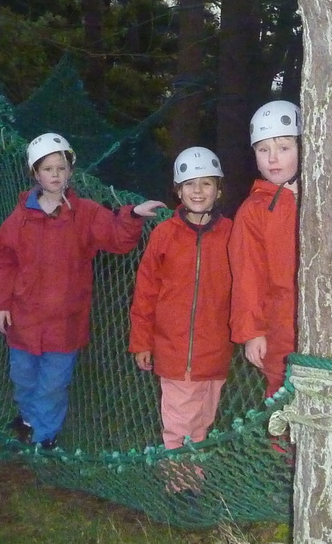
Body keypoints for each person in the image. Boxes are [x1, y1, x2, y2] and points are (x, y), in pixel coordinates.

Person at [0, 132, 165, 449]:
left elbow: (116, 238)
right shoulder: (21, 218)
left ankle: (44, 437)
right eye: (47, 169)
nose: (55, 175)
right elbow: (1, 258)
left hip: (64, 322)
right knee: (23, 377)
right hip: (24, 319)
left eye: (61, 167)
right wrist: (2, 303)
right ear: (35, 174)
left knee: (53, 384)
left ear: (70, 170)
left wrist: (132, 216)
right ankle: (28, 419)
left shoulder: (84, 213)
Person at [129, 147, 233, 454]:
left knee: (202, 419)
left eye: (206, 183)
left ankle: (192, 476)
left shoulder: (232, 234)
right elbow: (146, 291)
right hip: (173, 349)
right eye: (190, 184)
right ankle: (179, 485)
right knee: (178, 423)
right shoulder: (164, 235)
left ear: (218, 189)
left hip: (214, 348)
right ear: (178, 190)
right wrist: (141, 342)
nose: (198, 191)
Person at [229, 100, 301, 398]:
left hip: (326, 321)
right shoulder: (254, 210)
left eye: (284, 148)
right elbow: (247, 275)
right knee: (283, 399)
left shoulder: (324, 196)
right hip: (280, 325)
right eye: (263, 149)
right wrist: (252, 332)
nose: (273, 159)